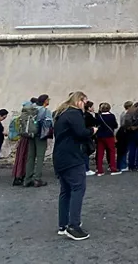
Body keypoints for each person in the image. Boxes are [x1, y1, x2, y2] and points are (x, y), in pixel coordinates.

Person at [53, 90, 97, 241]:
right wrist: (92, 130)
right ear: (80, 101)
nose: (86, 105)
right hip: (72, 157)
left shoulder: (61, 114)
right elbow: (81, 132)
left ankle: (63, 224)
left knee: (65, 191)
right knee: (78, 188)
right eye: (85, 102)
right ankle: (73, 226)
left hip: (60, 156)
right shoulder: (74, 114)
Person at [24, 94, 50, 188]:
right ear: (45, 101)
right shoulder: (45, 110)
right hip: (40, 135)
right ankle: (37, 179)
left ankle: (27, 179)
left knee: (30, 157)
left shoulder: (31, 108)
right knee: (40, 157)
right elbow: (48, 123)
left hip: (30, 135)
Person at [12, 99, 36, 186]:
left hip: (22, 138)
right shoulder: (29, 116)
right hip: (27, 139)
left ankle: (18, 176)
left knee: (20, 157)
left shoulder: (21, 116)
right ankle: (21, 175)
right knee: (25, 157)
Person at [95, 102, 119, 175]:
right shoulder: (112, 116)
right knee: (112, 152)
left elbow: (97, 125)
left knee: (100, 153)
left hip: (100, 136)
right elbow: (115, 125)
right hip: (109, 136)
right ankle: (113, 169)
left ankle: (99, 170)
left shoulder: (99, 116)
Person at [115, 100, 133, 172]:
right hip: (125, 133)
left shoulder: (122, 113)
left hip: (121, 132)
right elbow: (126, 125)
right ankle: (123, 165)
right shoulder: (128, 114)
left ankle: (119, 165)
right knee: (124, 150)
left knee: (121, 150)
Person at [83, 101, 97, 176]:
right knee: (87, 151)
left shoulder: (84, 115)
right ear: (89, 108)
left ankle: (85, 168)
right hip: (88, 135)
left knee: (86, 151)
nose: (93, 108)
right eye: (92, 107)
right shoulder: (88, 116)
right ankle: (86, 169)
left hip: (87, 135)